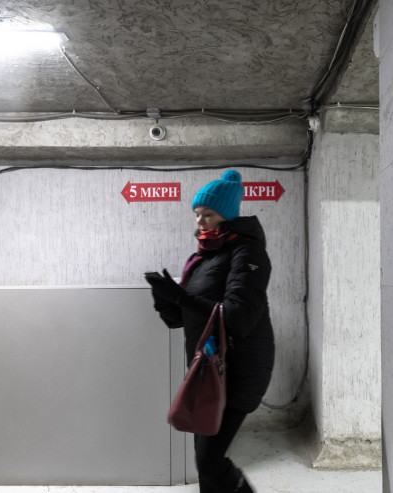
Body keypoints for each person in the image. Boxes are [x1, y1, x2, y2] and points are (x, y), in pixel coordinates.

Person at [145, 169, 275, 493]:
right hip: (207, 369)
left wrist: (179, 296)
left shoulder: (248, 252)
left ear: (227, 216)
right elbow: (180, 319)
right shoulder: (201, 258)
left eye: (208, 214)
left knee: (210, 461)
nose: (200, 222)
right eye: (197, 214)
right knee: (204, 460)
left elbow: (238, 316)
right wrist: (164, 300)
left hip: (239, 370)